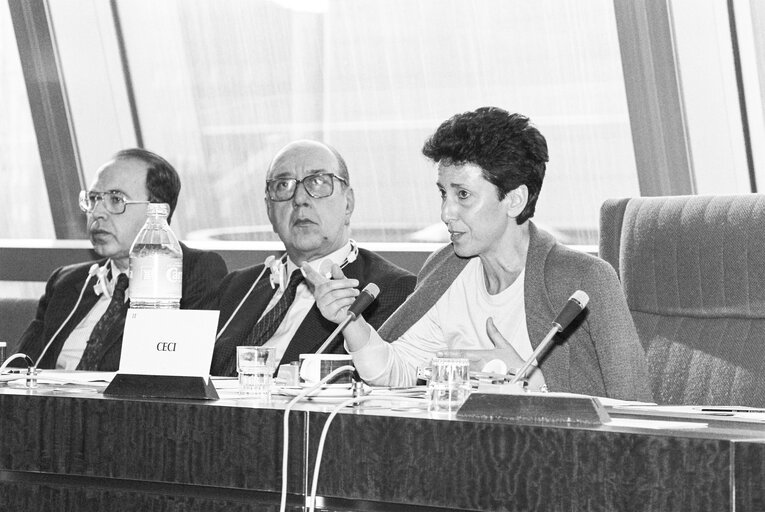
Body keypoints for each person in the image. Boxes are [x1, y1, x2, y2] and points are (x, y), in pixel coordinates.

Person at [304, 107, 652, 401]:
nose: (446, 213)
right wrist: (352, 323)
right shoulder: (446, 269)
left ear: (514, 199)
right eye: (443, 193)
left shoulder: (584, 281)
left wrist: (530, 383)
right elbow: (397, 370)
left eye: (463, 195)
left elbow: (639, 414)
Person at [210, 140, 416, 376]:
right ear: (269, 210)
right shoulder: (237, 287)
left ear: (348, 203)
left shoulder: (390, 290)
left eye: (317, 183)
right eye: (283, 185)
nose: (299, 199)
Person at [16, 148, 228, 371]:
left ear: (158, 210)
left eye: (116, 200)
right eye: (94, 199)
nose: (97, 213)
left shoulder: (192, 271)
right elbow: (19, 368)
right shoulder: (66, 282)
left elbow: (177, 371)